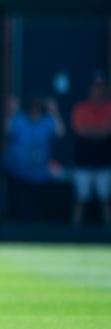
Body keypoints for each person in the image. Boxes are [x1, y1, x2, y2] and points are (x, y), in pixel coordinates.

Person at [2, 95, 65, 221]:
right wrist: (10, 111)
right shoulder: (19, 119)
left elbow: (60, 132)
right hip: (18, 173)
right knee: (19, 208)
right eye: (33, 107)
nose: (35, 110)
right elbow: (6, 130)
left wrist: (54, 112)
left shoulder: (47, 121)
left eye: (38, 107)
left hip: (40, 174)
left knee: (38, 210)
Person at [69, 72, 111, 226]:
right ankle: (74, 233)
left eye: (101, 87)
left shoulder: (109, 108)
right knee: (80, 199)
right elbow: (80, 130)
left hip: (105, 162)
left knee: (106, 199)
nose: (98, 90)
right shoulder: (81, 108)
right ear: (90, 89)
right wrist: (101, 132)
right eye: (95, 87)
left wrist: (93, 131)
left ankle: (108, 234)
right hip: (83, 162)